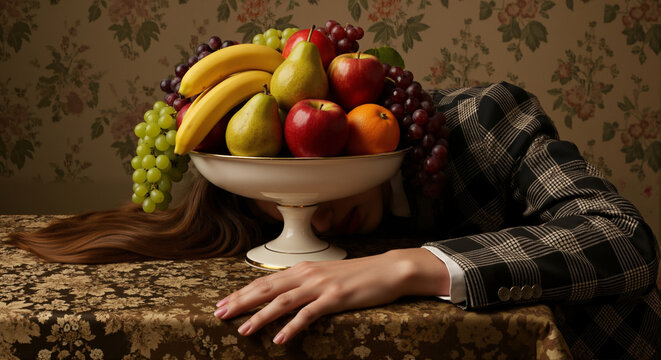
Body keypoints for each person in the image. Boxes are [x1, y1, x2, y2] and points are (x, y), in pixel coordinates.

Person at [9, 82, 660, 360]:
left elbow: (620, 237)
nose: (312, 200)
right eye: (277, 180)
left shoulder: (482, 123)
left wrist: (410, 265)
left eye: (323, 150)